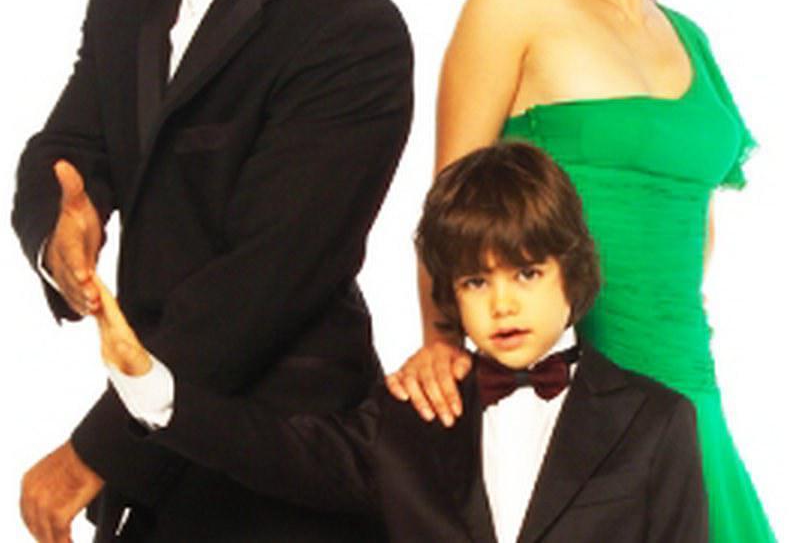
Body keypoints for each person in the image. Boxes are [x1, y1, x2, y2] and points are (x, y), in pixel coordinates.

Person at [13, 0, 412, 543]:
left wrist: (95, 451)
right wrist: (62, 237)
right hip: (160, 459)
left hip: (285, 468)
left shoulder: (358, 32)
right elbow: (73, 142)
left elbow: (261, 287)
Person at [385, 0, 774, 541]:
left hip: (687, 397)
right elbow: (449, 212)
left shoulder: (691, 41)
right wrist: (443, 351)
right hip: (575, 414)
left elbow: (691, 233)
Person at [95, 142, 708, 542]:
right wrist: (151, 386)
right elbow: (279, 450)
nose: (502, 304)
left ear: (571, 272)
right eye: (476, 281)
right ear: (451, 296)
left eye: (526, 273)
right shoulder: (411, 421)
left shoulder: (656, 424)